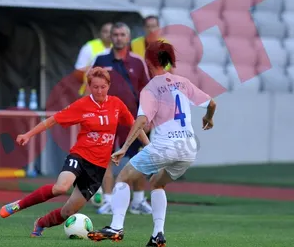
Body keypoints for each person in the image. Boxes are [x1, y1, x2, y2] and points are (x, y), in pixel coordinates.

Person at [88, 41, 217, 247]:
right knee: (157, 183)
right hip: (188, 149)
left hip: (166, 145)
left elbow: (141, 121)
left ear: (148, 61)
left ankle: (116, 227)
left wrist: (123, 147)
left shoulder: (151, 88)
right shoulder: (182, 82)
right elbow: (212, 103)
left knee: (123, 176)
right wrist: (209, 118)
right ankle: (158, 235)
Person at [0, 67, 147, 238]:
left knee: (68, 211)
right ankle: (18, 205)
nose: (99, 90)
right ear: (89, 87)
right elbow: (52, 120)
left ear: (109, 86)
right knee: (61, 187)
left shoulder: (116, 104)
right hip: (80, 156)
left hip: (97, 169)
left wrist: (150, 147)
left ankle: (41, 223)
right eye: (95, 87)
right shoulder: (82, 104)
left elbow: (135, 126)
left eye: (103, 87)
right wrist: (28, 134)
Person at [92, 22, 152, 215]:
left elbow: (147, 92)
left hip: (132, 120)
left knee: (140, 159)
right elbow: (92, 89)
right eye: (115, 34)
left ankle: (138, 201)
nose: (118, 37)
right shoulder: (100, 59)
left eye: (122, 34)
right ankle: (109, 201)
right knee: (104, 160)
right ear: (110, 37)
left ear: (128, 37)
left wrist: (148, 117)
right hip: (105, 120)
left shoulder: (137, 61)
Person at [73, 22, 113, 96]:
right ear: (100, 33)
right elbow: (78, 71)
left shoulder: (118, 48)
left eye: (111, 32)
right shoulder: (89, 47)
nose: (109, 35)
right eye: (105, 31)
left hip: (111, 92)